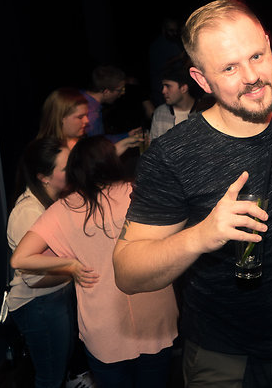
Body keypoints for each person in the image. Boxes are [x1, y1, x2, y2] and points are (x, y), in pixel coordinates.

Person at [112, 0, 272, 387]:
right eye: (229, 68)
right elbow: (127, 271)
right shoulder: (173, 156)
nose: (251, 76)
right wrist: (202, 235)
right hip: (225, 360)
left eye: (256, 56)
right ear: (202, 80)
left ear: (270, 48)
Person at [11, 136, 178, 388]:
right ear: (112, 162)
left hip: (105, 327)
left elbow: (20, 258)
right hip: (155, 316)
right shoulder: (141, 191)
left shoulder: (63, 209)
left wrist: (71, 265)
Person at [6, 137, 76, 388]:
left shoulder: (56, 200)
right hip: (39, 305)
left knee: (59, 368)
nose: (74, 170)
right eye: (66, 168)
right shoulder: (28, 213)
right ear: (44, 177)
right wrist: (76, 270)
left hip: (54, 298)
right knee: (50, 377)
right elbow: (33, 279)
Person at [81, 65, 142, 155]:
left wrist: (127, 135)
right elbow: (97, 149)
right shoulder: (91, 113)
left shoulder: (81, 96)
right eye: (120, 90)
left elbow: (100, 139)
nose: (123, 93)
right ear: (106, 92)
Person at [149, 56, 198, 141]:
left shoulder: (203, 110)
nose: (163, 91)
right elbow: (153, 146)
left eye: (168, 86)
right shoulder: (160, 113)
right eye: (163, 86)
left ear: (183, 88)